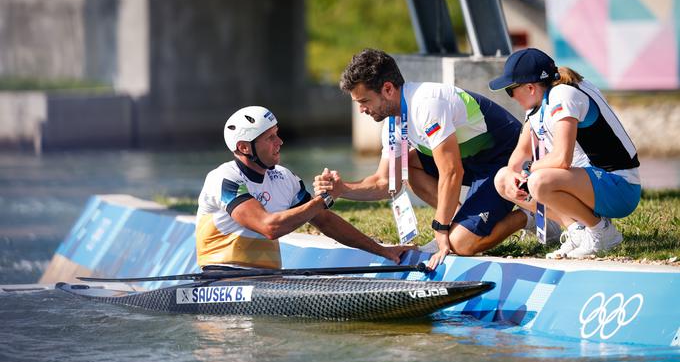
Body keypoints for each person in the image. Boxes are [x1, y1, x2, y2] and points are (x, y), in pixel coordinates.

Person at [313, 48, 527, 269]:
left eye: (364, 101)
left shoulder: (427, 104)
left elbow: (452, 172)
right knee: (410, 165)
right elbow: (386, 183)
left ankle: (529, 215)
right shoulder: (391, 123)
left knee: (461, 244)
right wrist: (342, 189)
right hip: (473, 161)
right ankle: (457, 222)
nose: (361, 110)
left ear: (387, 89)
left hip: (505, 159)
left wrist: (440, 227)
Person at [195, 105, 412, 269]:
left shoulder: (285, 178)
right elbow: (269, 227)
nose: (279, 142)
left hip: (268, 281)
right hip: (221, 277)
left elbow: (325, 221)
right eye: (270, 138)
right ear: (244, 147)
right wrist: (324, 199)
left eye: (277, 134)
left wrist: (382, 250)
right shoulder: (225, 179)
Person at [490, 48, 641, 259]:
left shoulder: (563, 95)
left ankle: (602, 232)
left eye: (510, 90)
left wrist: (528, 170)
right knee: (503, 179)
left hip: (620, 187)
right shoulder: (539, 102)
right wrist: (515, 175)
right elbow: (520, 154)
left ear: (531, 88)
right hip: (590, 182)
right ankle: (578, 232)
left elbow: (561, 159)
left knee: (538, 181)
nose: (511, 96)